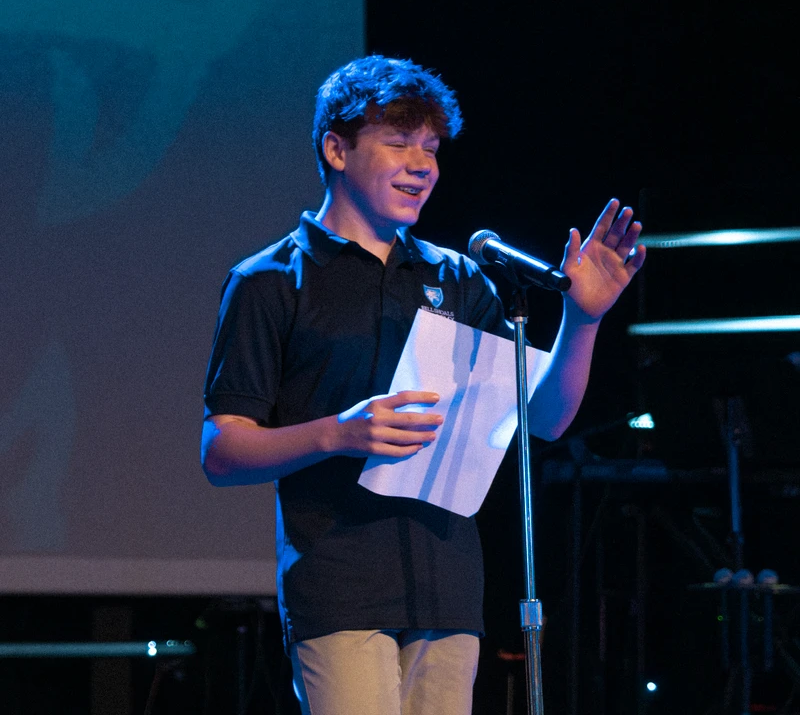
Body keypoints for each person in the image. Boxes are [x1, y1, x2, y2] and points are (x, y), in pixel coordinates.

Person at [201, 55, 646, 715]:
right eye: (399, 142)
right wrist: (340, 432)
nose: (423, 164)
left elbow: (543, 419)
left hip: (447, 588)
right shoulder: (270, 280)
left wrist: (582, 320)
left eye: (432, 148)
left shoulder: (460, 278)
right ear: (336, 149)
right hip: (340, 586)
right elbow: (222, 450)